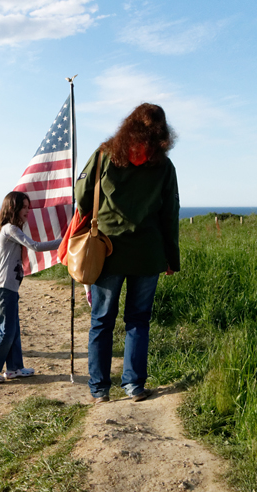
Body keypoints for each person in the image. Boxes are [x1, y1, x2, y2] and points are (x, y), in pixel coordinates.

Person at [75, 103, 180, 404]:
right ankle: (133, 385)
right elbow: (170, 213)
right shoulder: (163, 165)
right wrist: (171, 258)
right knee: (138, 320)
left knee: (101, 320)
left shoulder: (105, 154)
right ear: (162, 133)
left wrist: (96, 219)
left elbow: (81, 195)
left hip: (105, 250)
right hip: (147, 253)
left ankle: (99, 389)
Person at [0, 192, 62, 383]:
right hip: (4, 287)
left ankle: (14, 368)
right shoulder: (10, 229)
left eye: (28, 207)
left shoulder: (10, 229)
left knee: (13, 329)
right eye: (24, 207)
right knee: (6, 330)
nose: (27, 211)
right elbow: (35, 246)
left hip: (10, 287)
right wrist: (65, 241)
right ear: (13, 208)